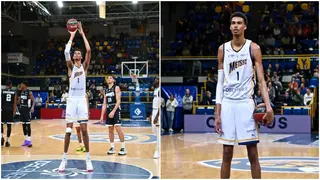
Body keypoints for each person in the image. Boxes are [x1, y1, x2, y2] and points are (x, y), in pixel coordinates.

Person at [214, 12, 274, 179]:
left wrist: (268, 107)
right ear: (230, 26)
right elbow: (220, 84)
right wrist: (217, 113)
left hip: (245, 104)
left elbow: (261, 81)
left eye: (239, 23)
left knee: (252, 153)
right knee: (226, 153)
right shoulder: (222, 49)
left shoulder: (253, 48)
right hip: (227, 104)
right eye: (233, 23)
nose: (235, 26)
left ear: (245, 26)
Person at [58, 22, 93, 172]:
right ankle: (64, 159)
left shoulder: (84, 67)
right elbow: (66, 51)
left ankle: (88, 159)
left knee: (84, 130)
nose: (78, 54)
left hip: (81, 100)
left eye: (79, 53)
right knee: (68, 131)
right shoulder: (71, 67)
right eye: (76, 53)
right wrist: (72, 36)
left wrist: (82, 33)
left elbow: (89, 50)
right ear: (73, 57)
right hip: (72, 101)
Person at [100, 76, 127, 156]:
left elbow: (118, 101)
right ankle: (112, 147)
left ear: (114, 80)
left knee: (118, 127)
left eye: (111, 78)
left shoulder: (116, 88)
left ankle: (123, 147)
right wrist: (102, 115)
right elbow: (104, 104)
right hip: (109, 109)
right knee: (110, 129)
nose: (109, 79)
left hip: (115, 109)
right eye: (108, 78)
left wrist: (113, 111)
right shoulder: (105, 90)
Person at [14, 81, 35, 147]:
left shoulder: (29, 92)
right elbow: (18, 102)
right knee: (23, 125)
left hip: (27, 110)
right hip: (21, 110)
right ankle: (25, 140)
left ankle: (29, 140)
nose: (21, 85)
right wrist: (16, 101)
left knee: (28, 125)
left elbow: (34, 100)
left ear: (25, 85)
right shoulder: (21, 92)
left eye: (22, 84)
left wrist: (32, 107)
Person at [1, 80, 15, 147]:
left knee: (1, 124)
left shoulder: (3, 91)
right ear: (10, 85)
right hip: (10, 110)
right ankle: (7, 141)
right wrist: (14, 111)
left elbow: (1, 101)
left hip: (3, 109)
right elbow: (14, 103)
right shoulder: (13, 92)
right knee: (9, 126)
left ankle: (1, 137)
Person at [148, 78, 160, 158]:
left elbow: (160, 104)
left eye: (157, 79)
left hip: (158, 113)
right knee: (154, 131)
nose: (155, 80)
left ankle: (157, 151)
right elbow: (155, 103)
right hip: (154, 111)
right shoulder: (156, 90)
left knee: (158, 133)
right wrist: (152, 114)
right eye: (155, 79)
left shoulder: (159, 90)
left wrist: (157, 116)